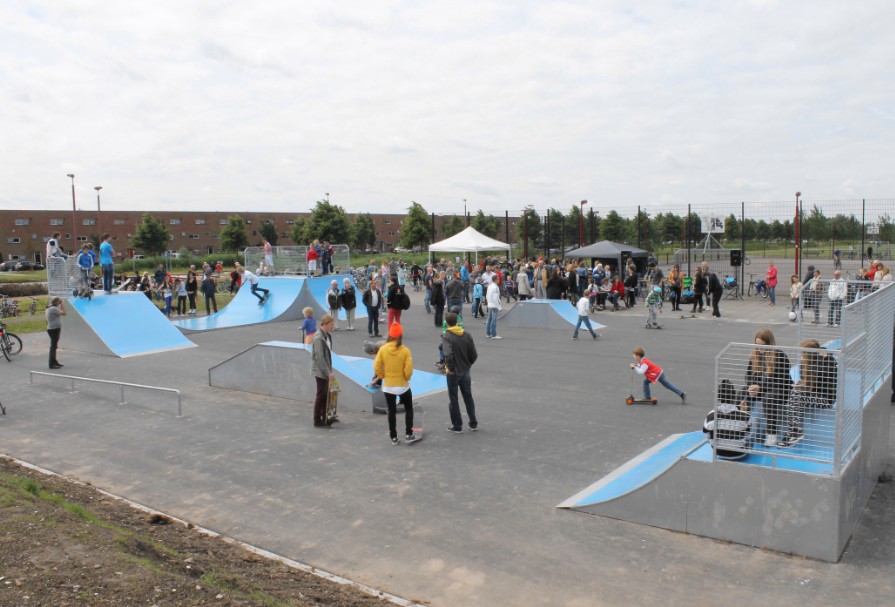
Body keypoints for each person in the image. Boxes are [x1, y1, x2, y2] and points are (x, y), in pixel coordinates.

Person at [779, 339, 837, 448]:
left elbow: (821, 380)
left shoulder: (826, 363)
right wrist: (800, 384)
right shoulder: (805, 363)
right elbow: (806, 381)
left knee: (796, 395)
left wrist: (826, 357)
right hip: (811, 395)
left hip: (826, 399)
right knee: (795, 394)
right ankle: (794, 431)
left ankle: (794, 432)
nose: (802, 356)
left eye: (804, 354)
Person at [373, 323, 417, 444]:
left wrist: (382, 376)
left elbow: (376, 366)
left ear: (390, 335)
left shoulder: (383, 349)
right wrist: (406, 378)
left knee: (391, 410)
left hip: (388, 386)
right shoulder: (405, 350)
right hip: (402, 385)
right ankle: (409, 433)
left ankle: (394, 437)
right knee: (409, 408)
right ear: (400, 335)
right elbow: (409, 370)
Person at [442, 312, 479, 433]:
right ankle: (473, 423)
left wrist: (451, 369)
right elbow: (474, 354)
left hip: (454, 373)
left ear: (447, 323)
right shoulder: (467, 334)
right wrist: (468, 364)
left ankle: (457, 425)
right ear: (457, 322)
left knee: (453, 399)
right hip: (465, 370)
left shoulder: (446, 336)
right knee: (468, 397)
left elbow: (448, 354)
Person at [310, 314, 336, 427]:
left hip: (325, 369)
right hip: (320, 370)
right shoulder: (318, 338)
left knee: (325, 394)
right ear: (325, 324)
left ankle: (325, 416)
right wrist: (328, 373)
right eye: (331, 324)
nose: (333, 326)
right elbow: (319, 358)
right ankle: (317, 419)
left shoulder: (327, 336)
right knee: (321, 394)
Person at [435, 305, 464, 371]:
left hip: (455, 336)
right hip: (447, 335)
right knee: (440, 346)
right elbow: (444, 326)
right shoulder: (448, 318)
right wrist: (444, 333)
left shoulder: (459, 320)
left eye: (455, 314)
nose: (454, 316)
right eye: (453, 314)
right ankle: (442, 359)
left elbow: (461, 328)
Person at [45, 297, 66, 369]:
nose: (60, 302)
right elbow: (64, 313)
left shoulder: (51, 307)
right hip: (54, 329)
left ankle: (54, 361)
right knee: (53, 347)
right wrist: (62, 305)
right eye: (59, 301)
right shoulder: (53, 308)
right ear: (57, 302)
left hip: (53, 329)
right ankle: (51, 364)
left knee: (54, 346)